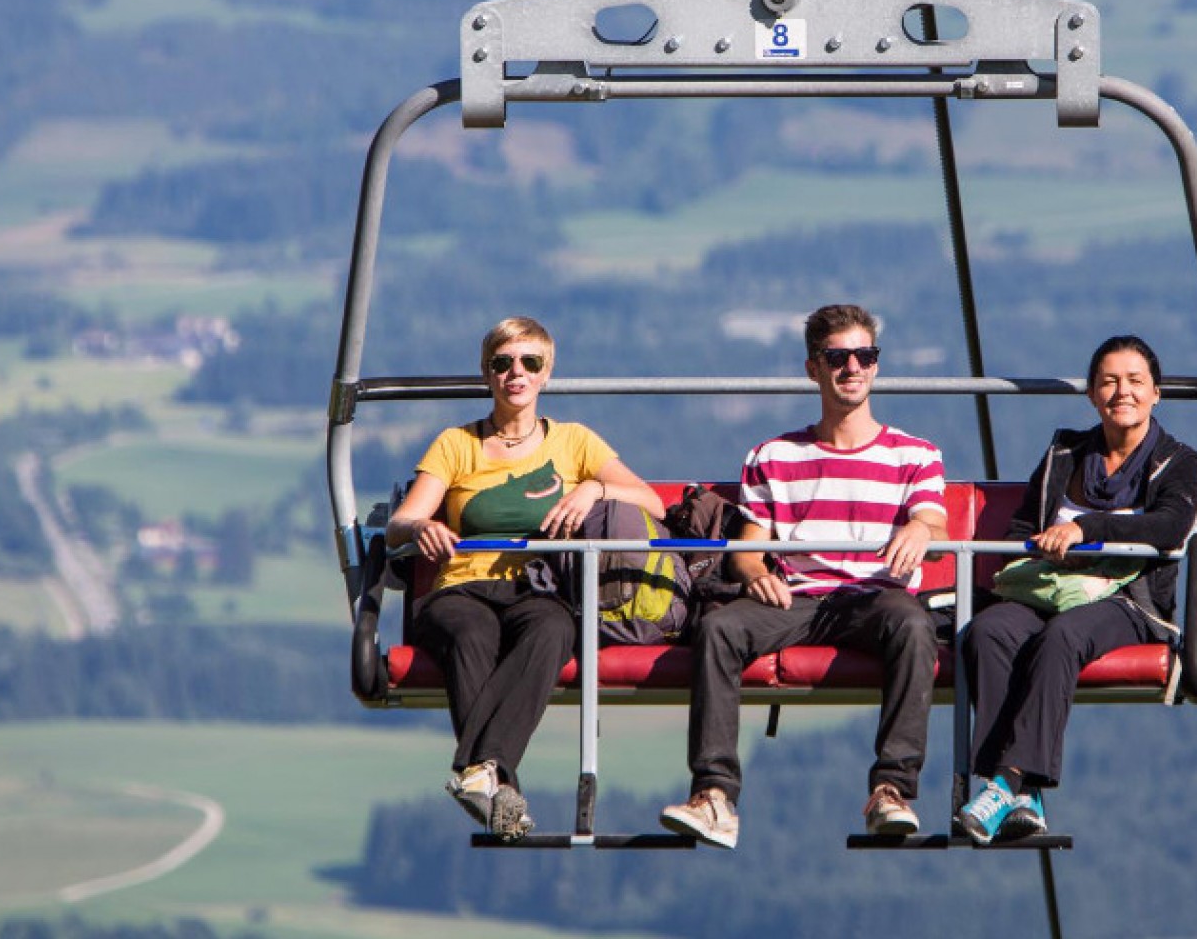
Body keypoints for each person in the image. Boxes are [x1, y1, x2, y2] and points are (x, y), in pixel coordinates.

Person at [659, 304, 948, 848]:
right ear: (813, 369)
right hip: (798, 597)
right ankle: (715, 793)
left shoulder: (915, 453)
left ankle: (892, 788)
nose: (853, 368)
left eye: (866, 356)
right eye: (838, 358)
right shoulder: (774, 455)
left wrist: (920, 531)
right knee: (719, 629)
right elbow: (747, 551)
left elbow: (931, 516)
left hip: (873, 596)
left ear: (878, 366)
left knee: (913, 626)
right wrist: (753, 575)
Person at [386, 316, 666, 840]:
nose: (516, 373)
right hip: (463, 585)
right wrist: (423, 525)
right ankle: (495, 777)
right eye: (503, 363)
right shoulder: (456, 444)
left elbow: (650, 501)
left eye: (529, 363)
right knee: (472, 634)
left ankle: (480, 773)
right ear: (487, 374)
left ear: (545, 373)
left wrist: (594, 491)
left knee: (554, 631)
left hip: (539, 587)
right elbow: (401, 521)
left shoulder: (575, 443)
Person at [955, 335, 1197, 844]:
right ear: (1092, 394)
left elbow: (1169, 528)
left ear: (1156, 393)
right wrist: (1035, 547)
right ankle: (1025, 796)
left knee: (1064, 638)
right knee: (988, 631)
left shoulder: (1178, 461)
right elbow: (1022, 524)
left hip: (1126, 600)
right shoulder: (1064, 453)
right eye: (1109, 382)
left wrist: (1086, 530)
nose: (1123, 392)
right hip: (1049, 590)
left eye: (1135, 381)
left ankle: (1003, 782)